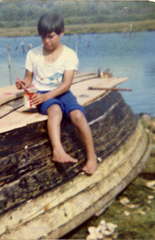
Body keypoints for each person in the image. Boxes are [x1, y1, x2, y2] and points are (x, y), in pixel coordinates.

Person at [16, 13, 97, 175]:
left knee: (78, 116)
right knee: (55, 111)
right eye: (43, 37)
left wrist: (48, 96)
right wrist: (23, 83)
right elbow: (28, 78)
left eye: (51, 36)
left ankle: (92, 156)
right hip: (41, 93)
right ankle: (58, 151)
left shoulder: (69, 55)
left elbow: (67, 84)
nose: (47, 41)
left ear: (62, 32)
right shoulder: (33, 54)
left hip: (63, 92)